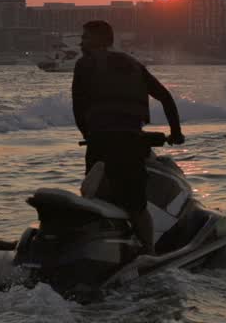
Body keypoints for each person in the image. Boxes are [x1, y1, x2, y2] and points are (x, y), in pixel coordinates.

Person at [71, 20, 184, 252]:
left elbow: (78, 107)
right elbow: (165, 97)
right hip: (132, 142)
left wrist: (89, 135)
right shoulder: (133, 64)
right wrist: (176, 132)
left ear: (102, 40)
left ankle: (99, 247)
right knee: (136, 205)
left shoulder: (85, 64)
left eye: (86, 38)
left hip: (101, 143)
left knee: (95, 196)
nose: (81, 42)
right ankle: (149, 253)